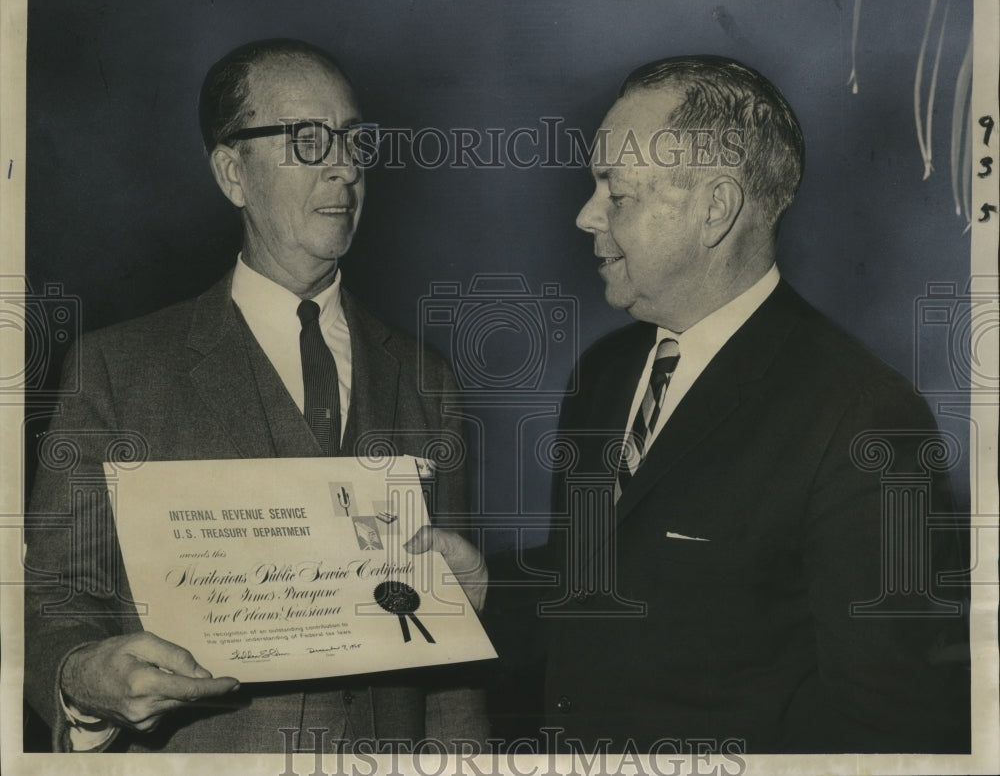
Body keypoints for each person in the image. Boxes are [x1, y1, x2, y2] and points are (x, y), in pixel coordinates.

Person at [489, 55, 969, 753]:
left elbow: (888, 728)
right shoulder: (605, 373)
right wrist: (483, 584)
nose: (585, 214)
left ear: (713, 209)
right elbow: (595, 591)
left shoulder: (864, 416)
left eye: (615, 192)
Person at [23, 38, 487, 753]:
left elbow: (453, 665)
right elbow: (54, 598)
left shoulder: (426, 380)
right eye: (307, 140)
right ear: (233, 172)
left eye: (354, 140)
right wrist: (84, 679)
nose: (344, 165)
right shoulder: (116, 368)